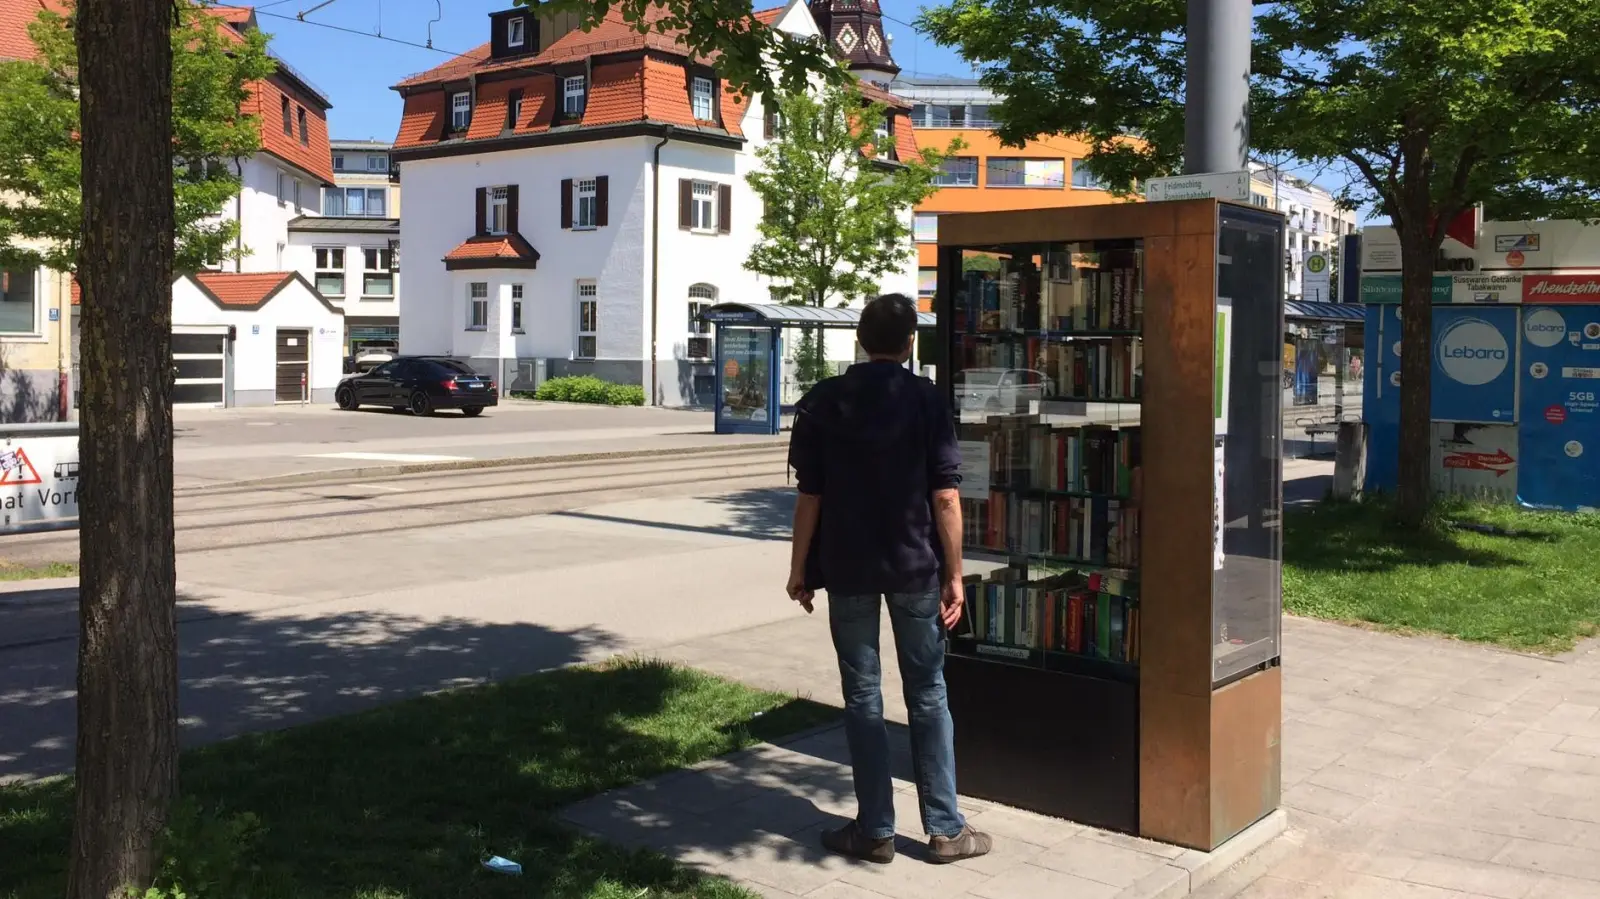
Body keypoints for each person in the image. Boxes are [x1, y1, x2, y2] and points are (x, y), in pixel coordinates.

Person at [785, 293, 992, 865]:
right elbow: (946, 496)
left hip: (848, 569)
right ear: (909, 345)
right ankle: (947, 830)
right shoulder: (927, 402)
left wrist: (800, 569)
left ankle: (874, 830)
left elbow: (810, 497)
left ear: (858, 339)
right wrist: (955, 575)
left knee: (862, 694)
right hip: (915, 568)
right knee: (928, 693)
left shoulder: (825, 401)